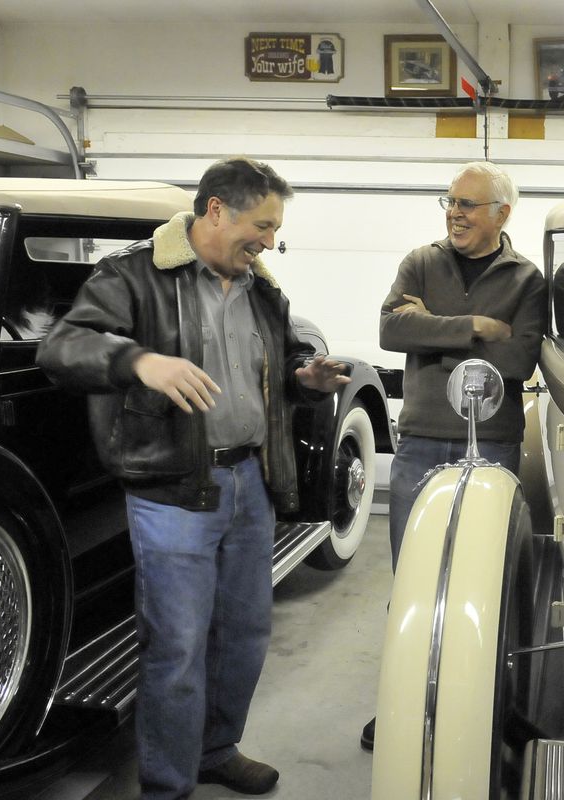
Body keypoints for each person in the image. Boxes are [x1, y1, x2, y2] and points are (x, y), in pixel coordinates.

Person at [37, 157, 350, 799]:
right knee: (176, 647)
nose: (269, 240)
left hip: (251, 485)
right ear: (215, 210)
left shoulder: (263, 290)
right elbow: (61, 348)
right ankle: (167, 785)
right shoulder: (132, 275)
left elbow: (277, 368)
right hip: (174, 490)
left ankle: (216, 750)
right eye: (262, 225)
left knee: (244, 637)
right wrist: (139, 359)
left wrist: (304, 379)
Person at [364, 161, 545, 751]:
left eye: (469, 204)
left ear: (502, 214)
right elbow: (392, 332)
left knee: (490, 577)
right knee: (413, 581)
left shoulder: (528, 279)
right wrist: (475, 326)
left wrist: (432, 329)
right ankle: (402, 703)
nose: (455, 212)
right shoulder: (421, 260)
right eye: (451, 201)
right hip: (420, 443)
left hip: (493, 444)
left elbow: (519, 361)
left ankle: (498, 705)